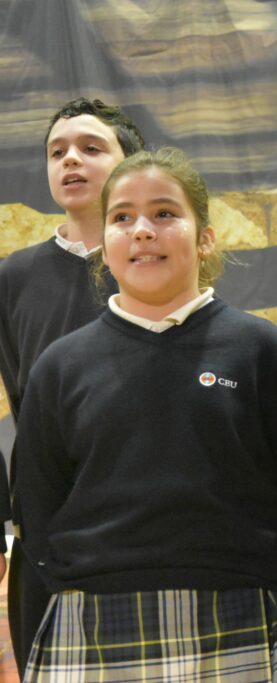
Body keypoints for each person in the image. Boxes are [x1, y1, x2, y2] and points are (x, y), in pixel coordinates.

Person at [13, 148, 277, 681]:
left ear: (205, 237)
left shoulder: (263, 351)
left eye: (165, 213)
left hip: (245, 615)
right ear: (106, 242)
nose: (143, 230)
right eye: (122, 217)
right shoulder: (60, 366)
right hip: (94, 624)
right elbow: (37, 505)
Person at [0, 96, 145, 675]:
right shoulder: (14, 276)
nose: (71, 161)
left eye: (91, 148)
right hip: (49, 522)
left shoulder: (155, 259)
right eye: (57, 151)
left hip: (147, 517)